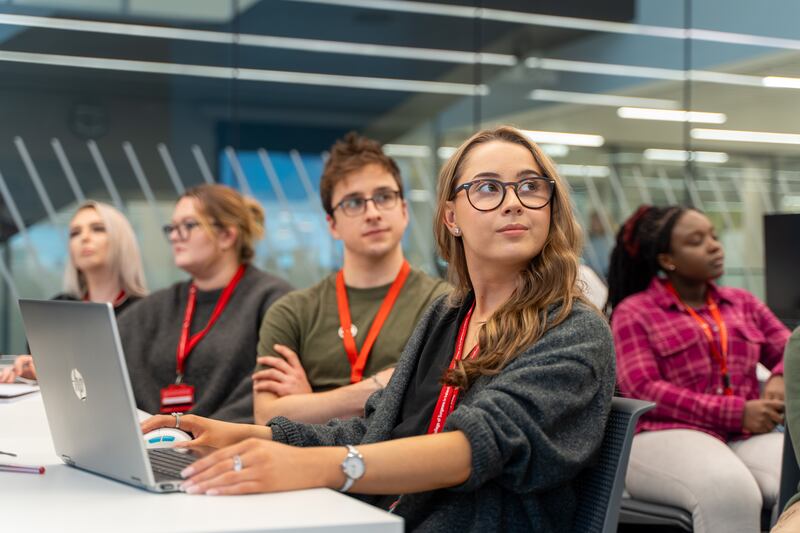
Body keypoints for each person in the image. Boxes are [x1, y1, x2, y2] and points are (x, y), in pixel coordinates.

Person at [141, 125, 615, 533]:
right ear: (451, 216)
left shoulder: (575, 330)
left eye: (531, 187)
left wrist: (312, 466)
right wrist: (251, 437)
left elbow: (475, 446)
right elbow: (380, 428)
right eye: (488, 188)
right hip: (382, 515)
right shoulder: (449, 315)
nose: (514, 202)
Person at [608, 204, 788, 533]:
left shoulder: (742, 303)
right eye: (696, 240)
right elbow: (643, 388)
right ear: (667, 260)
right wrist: (736, 412)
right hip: (663, 434)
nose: (714, 246)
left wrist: (779, 377)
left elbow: (792, 350)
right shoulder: (634, 312)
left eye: (714, 236)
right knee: (731, 492)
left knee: (794, 479)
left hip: (742, 435)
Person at [252, 132, 449, 425]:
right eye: (354, 203)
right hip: (307, 469)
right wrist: (385, 385)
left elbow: (432, 406)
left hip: (400, 466)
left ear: (404, 210)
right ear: (332, 224)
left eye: (384, 197)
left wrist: (309, 405)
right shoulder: (293, 311)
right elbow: (267, 416)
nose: (372, 213)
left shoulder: (443, 304)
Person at [118, 184, 293, 423]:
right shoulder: (156, 307)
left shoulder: (272, 299)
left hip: (228, 447)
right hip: (156, 444)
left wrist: (196, 433)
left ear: (227, 236)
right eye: (172, 227)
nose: (175, 236)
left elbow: (267, 388)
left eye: (189, 225)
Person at [0, 200, 148, 383]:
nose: (84, 238)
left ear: (121, 240)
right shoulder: (54, 310)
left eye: (97, 228)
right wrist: (31, 372)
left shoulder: (148, 311)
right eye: (75, 233)